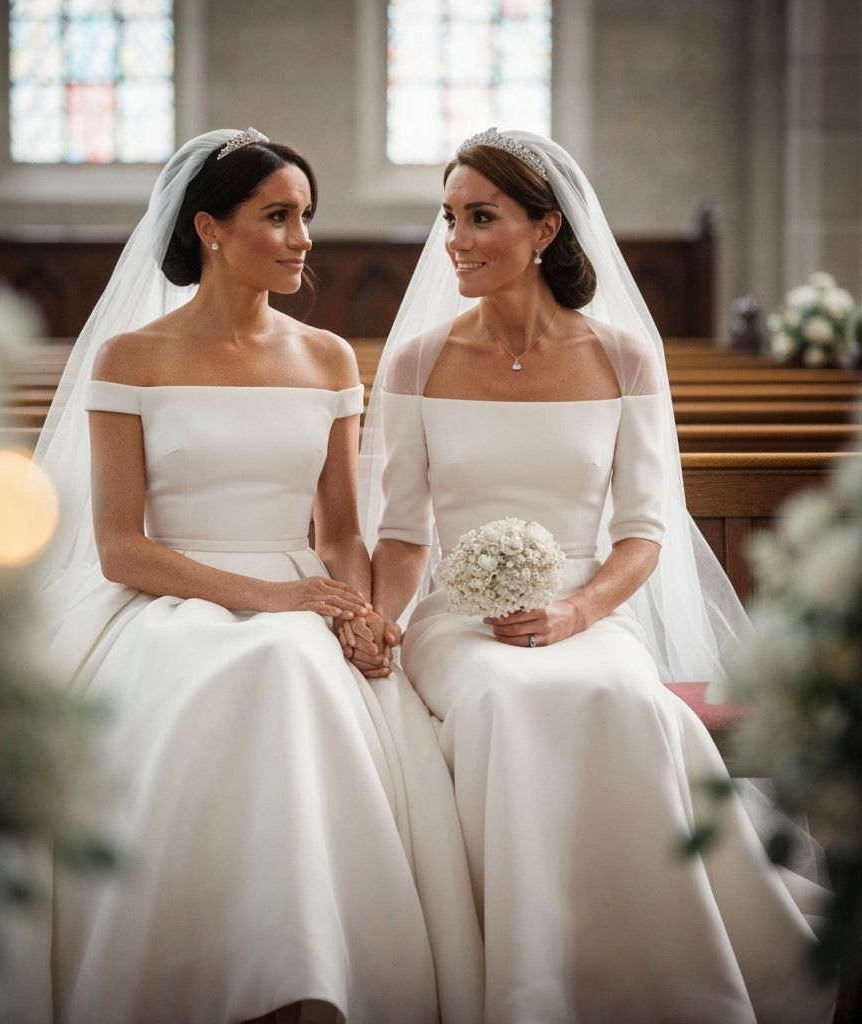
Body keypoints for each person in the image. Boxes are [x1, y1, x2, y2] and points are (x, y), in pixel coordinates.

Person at [351, 129, 837, 1023]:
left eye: (480, 217)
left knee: (623, 697)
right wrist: (382, 620)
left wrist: (575, 611)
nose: (454, 238)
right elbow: (402, 533)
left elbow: (646, 531)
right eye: (449, 216)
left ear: (544, 230)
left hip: (588, 611)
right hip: (457, 620)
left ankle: (648, 973)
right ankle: (526, 982)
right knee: (500, 696)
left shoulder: (622, 355)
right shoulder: (417, 361)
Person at [31, 129, 482, 1024]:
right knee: (247, 671)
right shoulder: (133, 359)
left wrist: (355, 612)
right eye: (277, 217)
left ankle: (313, 976)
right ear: (210, 227)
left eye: (305, 217)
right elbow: (121, 546)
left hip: (305, 590)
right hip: (164, 597)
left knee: (294, 667)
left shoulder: (325, 358)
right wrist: (278, 597)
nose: (302, 240)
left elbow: (345, 530)